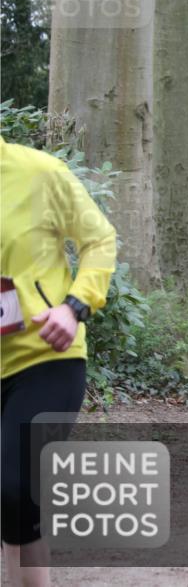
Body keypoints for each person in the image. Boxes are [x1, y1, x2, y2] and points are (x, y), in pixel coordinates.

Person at [1, 137, 117, 586]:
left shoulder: (40, 173)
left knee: (15, 489)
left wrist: (74, 306)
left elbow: (99, 239)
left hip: (45, 356)